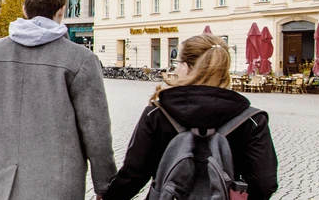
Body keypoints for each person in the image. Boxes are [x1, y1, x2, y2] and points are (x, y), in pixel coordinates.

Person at [0, 0, 114, 200]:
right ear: (61, 11)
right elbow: (96, 132)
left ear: (24, 9)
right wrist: (105, 184)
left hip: (1, 184)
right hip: (58, 186)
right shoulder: (81, 60)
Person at [103, 34, 278, 200]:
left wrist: (109, 196)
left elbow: (134, 175)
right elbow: (264, 184)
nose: (176, 68)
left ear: (186, 67)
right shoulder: (252, 120)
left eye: (177, 62)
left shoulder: (157, 113)